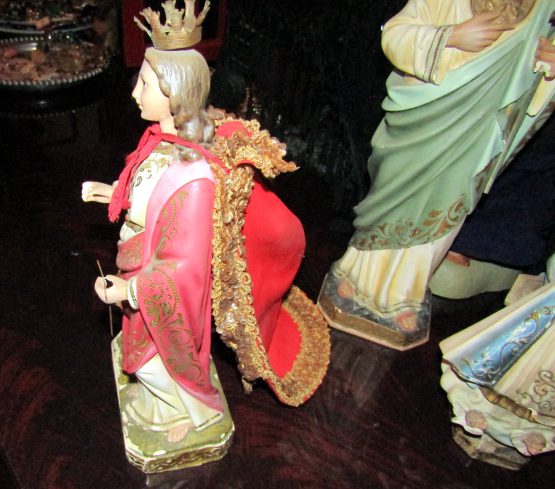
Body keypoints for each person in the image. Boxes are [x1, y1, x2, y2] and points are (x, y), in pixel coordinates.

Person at [82, 1, 330, 470]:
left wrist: (129, 291)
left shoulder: (194, 178)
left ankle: (193, 412)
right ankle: (172, 403)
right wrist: (112, 193)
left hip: (160, 284)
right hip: (138, 261)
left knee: (150, 360)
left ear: (175, 94)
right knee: (137, 350)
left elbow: (182, 267)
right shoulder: (158, 142)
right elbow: (148, 194)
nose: (134, 92)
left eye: (145, 84)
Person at [318, 0, 555, 350]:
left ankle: (405, 296)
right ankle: (356, 275)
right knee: (393, 200)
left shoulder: (542, 11)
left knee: (446, 204)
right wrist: (451, 36)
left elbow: (529, 79)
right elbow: (395, 33)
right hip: (423, 120)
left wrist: (548, 70)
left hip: (476, 135)